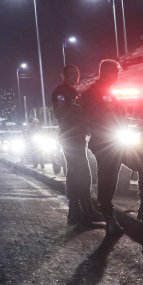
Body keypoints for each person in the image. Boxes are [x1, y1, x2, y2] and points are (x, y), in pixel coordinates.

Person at [80, 59, 143, 235]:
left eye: (117, 73)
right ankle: (109, 218)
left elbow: (117, 116)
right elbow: (92, 118)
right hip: (104, 144)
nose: (117, 77)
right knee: (108, 180)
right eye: (115, 73)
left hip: (118, 143)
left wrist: (137, 123)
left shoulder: (109, 93)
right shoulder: (94, 92)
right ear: (105, 72)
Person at [50, 65, 103, 225]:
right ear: (63, 75)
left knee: (74, 173)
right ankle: (85, 209)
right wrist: (78, 111)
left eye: (77, 74)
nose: (75, 76)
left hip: (77, 136)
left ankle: (75, 211)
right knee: (83, 172)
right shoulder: (61, 91)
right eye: (72, 74)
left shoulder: (75, 92)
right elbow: (61, 112)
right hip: (70, 136)